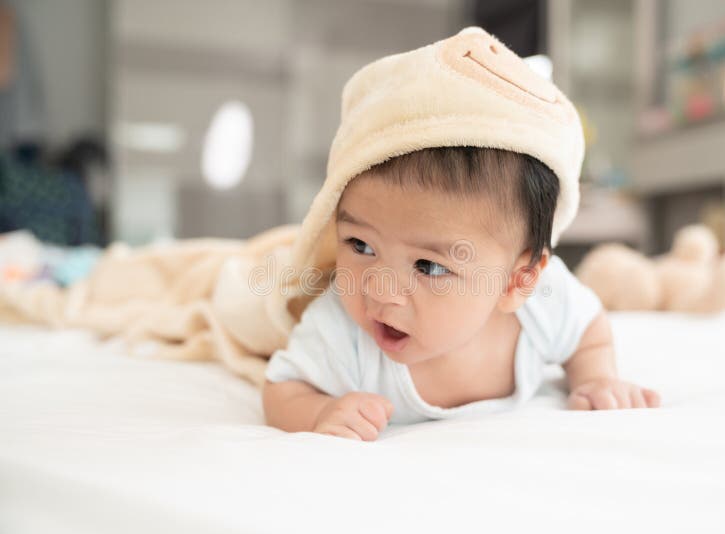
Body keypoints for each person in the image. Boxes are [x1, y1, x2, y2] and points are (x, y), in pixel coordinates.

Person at [262, 27, 660, 441]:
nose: (380, 290)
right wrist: (320, 411)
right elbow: (281, 388)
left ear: (518, 279)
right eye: (361, 245)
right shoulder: (343, 333)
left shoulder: (543, 307)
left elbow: (588, 333)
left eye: (428, 266)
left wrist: (595, 377)